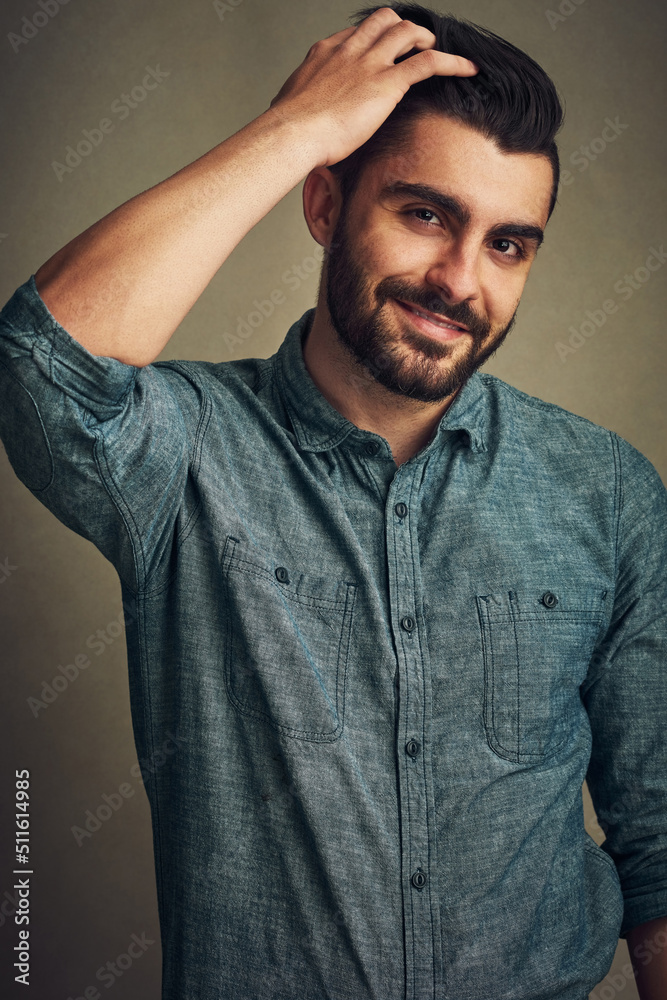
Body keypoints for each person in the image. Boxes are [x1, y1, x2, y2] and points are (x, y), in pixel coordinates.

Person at [0, 3, 665, 997]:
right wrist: (297, 127)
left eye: (507, 244)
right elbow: (41, 372)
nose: (459, 281)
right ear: (324, 206)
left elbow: (656, 844)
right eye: (425, 213)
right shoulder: (182, 455)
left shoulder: (604, 489)